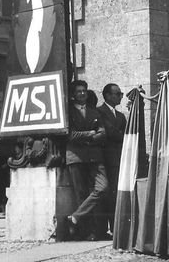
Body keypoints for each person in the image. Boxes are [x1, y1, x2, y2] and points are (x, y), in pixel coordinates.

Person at [64, 80, 108, 241]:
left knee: (102, 188)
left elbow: (103, 134)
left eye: (84, 91)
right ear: (73, 95)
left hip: (94, 157)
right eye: (78, 91)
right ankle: (87, 232)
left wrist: (86, 136)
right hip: (75, 158)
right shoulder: (67, 113)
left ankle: (75, 217)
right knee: (81, 195)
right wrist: (90, 134)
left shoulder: (94, 112)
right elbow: (70, 135)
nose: (82, 94)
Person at [97, 83, 126, 239]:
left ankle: (117, 226)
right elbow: (110, 133)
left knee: (116, 192)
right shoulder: (99, 112)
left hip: (119, 158)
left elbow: (125, 134)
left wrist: (120, 135)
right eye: (118, 93)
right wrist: (120, 135)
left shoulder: (121, 116)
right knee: (108, 193)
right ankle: (105, 227)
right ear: (108, 95)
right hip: (106, 159)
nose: (120, 96)